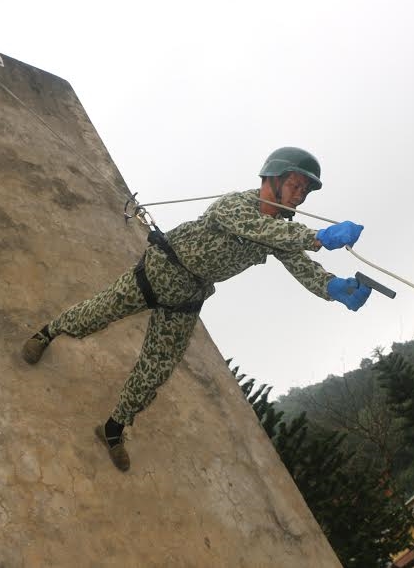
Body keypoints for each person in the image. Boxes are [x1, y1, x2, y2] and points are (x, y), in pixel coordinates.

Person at [22, 147, 371, 472]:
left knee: (157, 368)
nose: (299, 196)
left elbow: (299, 263)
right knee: (98, 314)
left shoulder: (283, 232)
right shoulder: (235, 205)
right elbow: (258, 229)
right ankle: (46, 333)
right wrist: (319, 237)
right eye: (295, 185)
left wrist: (332, 287)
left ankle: (114, 428)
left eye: (305, 192)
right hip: (159, 273)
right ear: (271, 180)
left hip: (187, 298)